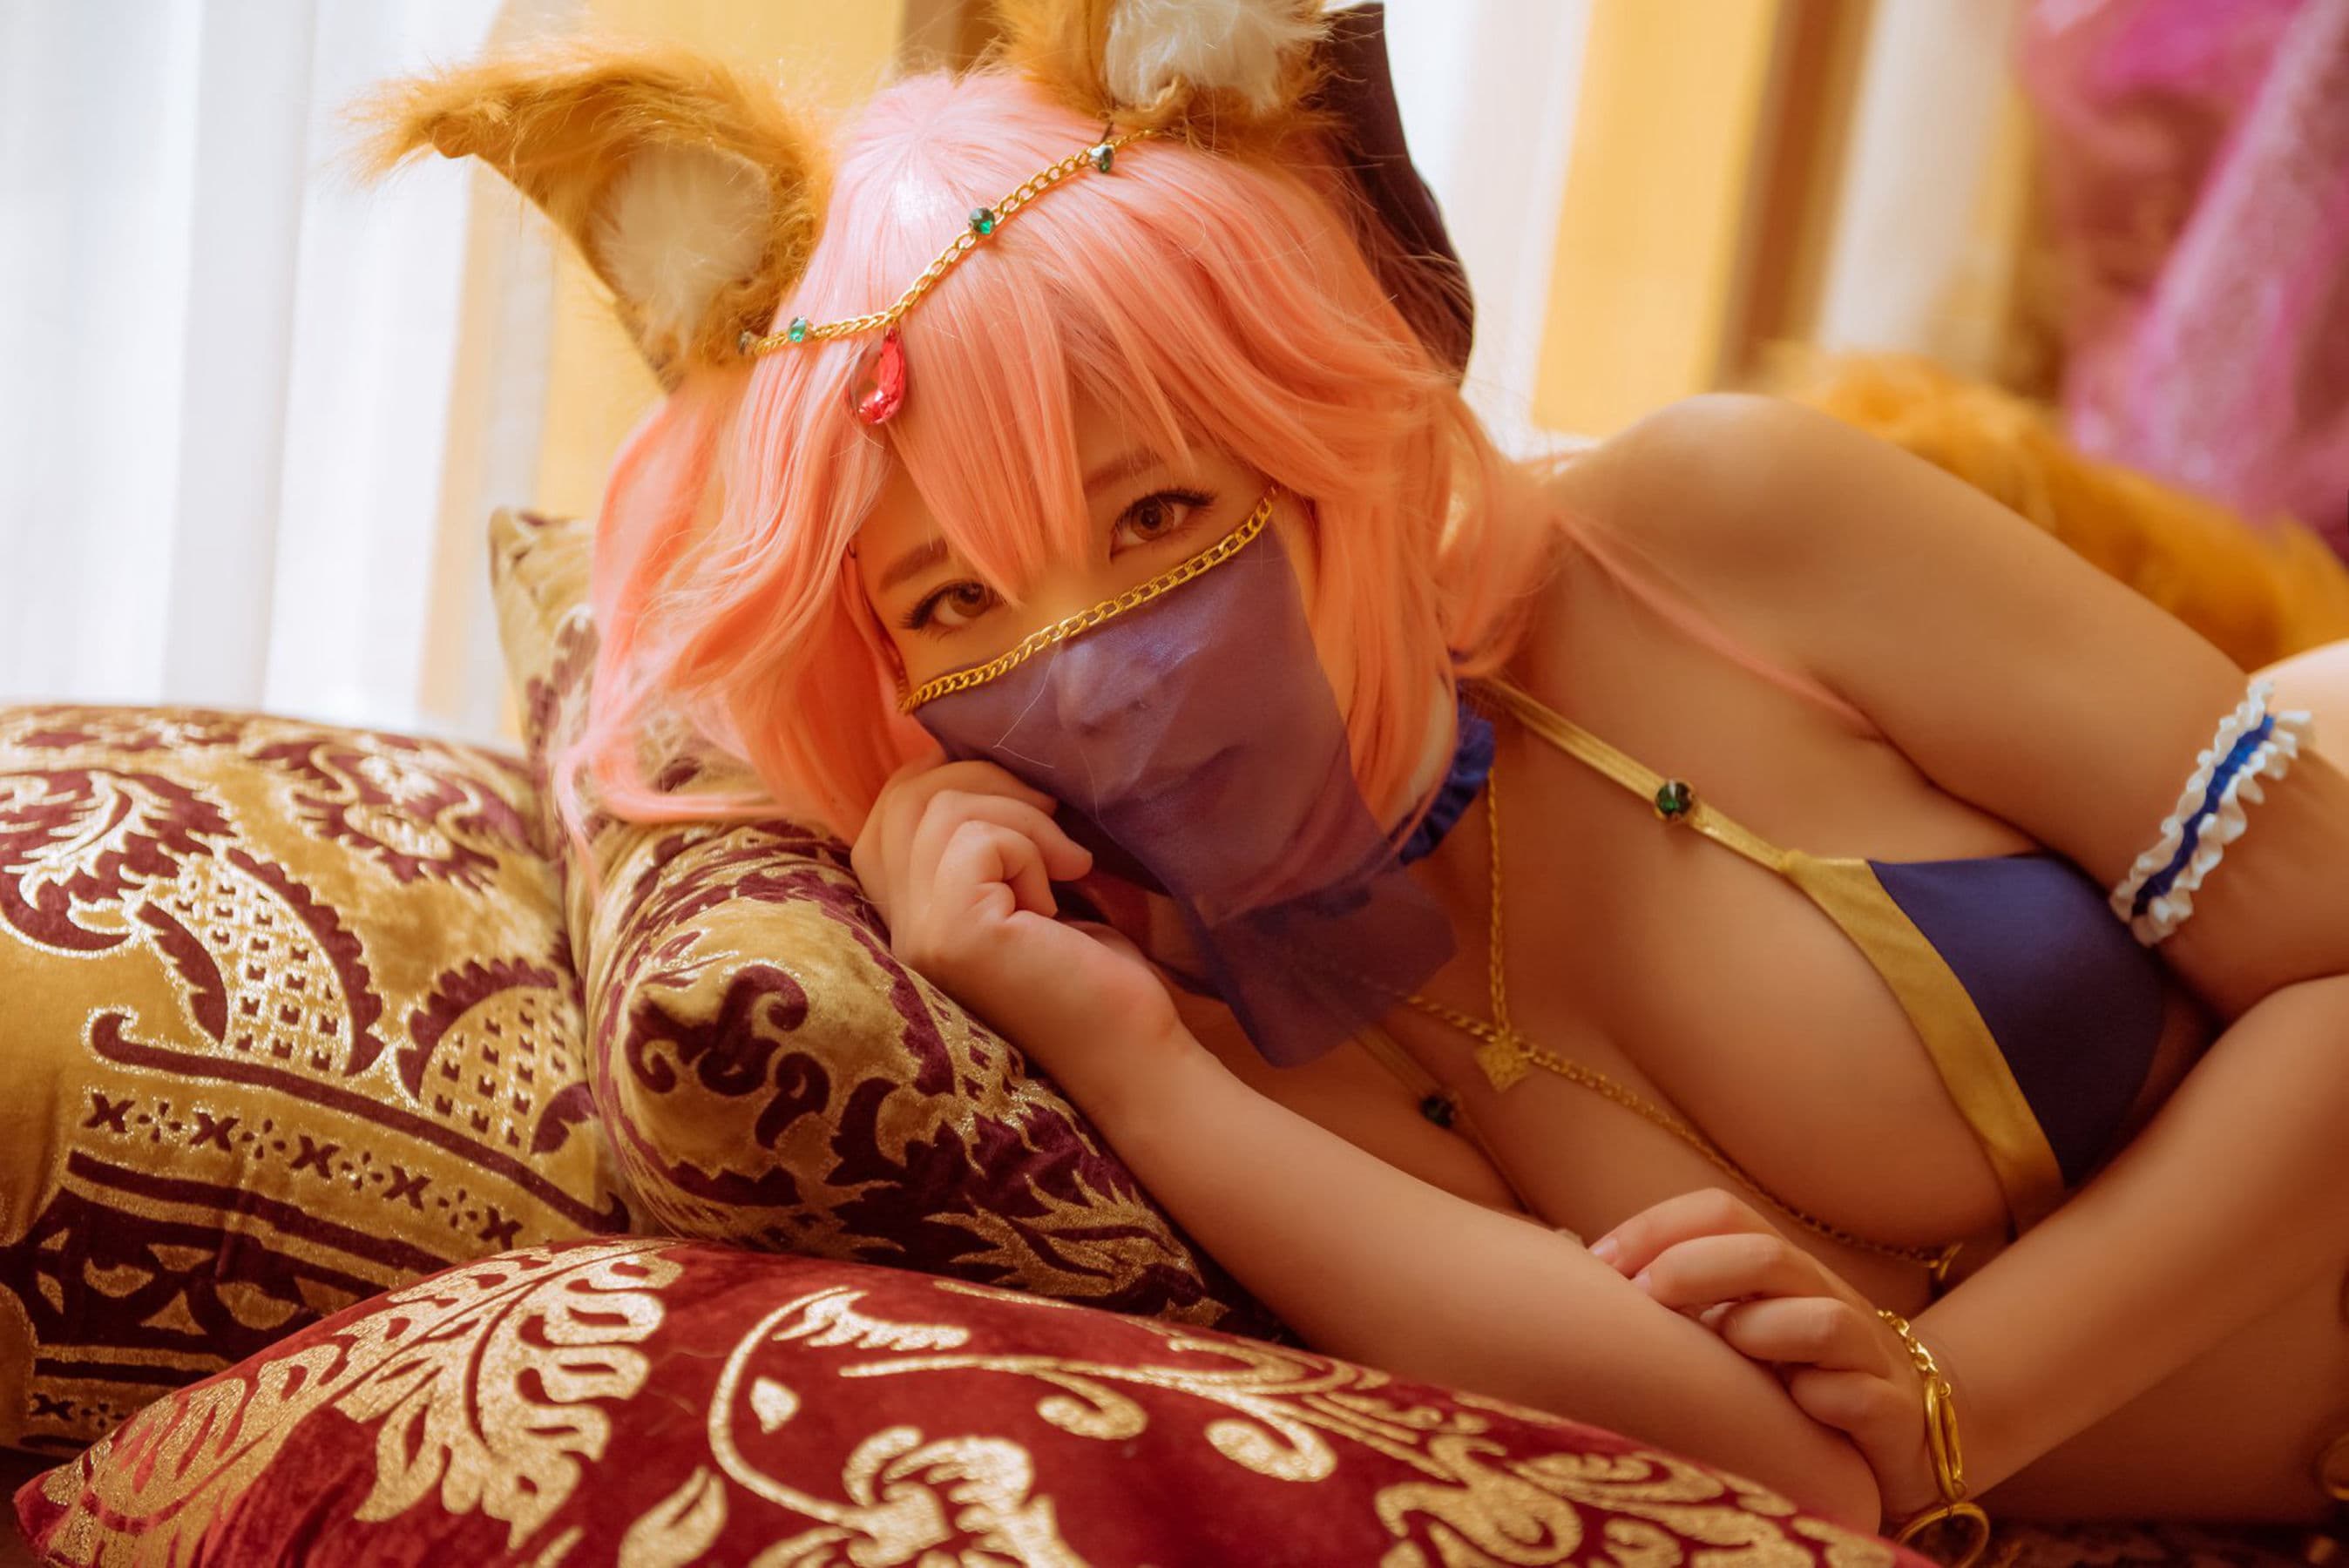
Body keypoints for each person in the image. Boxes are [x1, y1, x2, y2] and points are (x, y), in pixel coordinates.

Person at [363, 4, 2349, 1551]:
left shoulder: (1720, 530)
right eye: (954, 597)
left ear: (1315, 434)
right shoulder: (1202, 1004)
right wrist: (1132, 1062)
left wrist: (1954, 1404)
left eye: (1157, 511)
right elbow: (1778, 1481)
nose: (1091, 665)